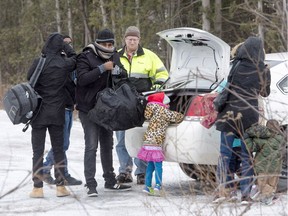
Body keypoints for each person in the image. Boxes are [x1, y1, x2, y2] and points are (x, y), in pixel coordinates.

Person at [213, 36, 271, 205]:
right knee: (247, 156)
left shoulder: (236, 65)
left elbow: (228, 85)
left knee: (225, 155)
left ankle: (224, 191)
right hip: (249, 116)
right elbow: (265, 93)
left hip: (229, 115)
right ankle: (246, 194)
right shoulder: (263, 69)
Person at [76, 28, 131, 197]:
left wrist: (118, 71)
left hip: (107, 109)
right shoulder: (85, 56)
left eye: (111, 44)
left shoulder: (115, 56)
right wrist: (101, 69)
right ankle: (90, 184)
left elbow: (124, 75)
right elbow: (82, 79)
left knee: (108, 145)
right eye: (105, 44)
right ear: (97, 44)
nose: (108, 47)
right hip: (88, 108)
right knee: (91, 146)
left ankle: (110, 180)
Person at [116, 26, 169, 184]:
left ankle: (141, 172)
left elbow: (162, 74)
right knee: (121, 139)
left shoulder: (149, 56)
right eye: (129, 38)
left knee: (140, 138)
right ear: (125, 39)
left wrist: (156, 87)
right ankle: (125, 171)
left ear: (139, 40)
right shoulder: (117, 56)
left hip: (141, 104)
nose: (132, 41)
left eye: (135, 39)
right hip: (121, 104)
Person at [27, 32, 77, 198]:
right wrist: (66, 46)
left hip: (39, 113)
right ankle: (61, 187)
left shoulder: (38, 62)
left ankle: (37, 188)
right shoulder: (64, 64)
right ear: (60, 47)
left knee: (38, 152)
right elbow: (75, 57)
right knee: (59, 150)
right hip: (57, 113)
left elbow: (29, 79)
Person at [42, 35, 82, 186]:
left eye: (69, 44)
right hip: (58, 107)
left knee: (63, 143)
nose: (67, 47)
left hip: (68, 106)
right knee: (62, 143)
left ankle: (61, 173)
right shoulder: (55, 61)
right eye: (64, 44)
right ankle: (45, 169)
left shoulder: (67, 63)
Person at [137, 92, 184, 195]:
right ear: (162, 104)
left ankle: (147, 186)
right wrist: (182, 115)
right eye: (167, 104)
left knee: (150, 166)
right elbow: (176, 117)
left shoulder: (152, 110)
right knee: (158, 166)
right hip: (156, 143)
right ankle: (158, 186)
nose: (169, 106)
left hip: (147, 142)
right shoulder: (163, 111)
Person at [244, 119, 285, 205]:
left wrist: (246, 138)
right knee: (272, 185)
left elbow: (250, 147)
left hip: (262, 168)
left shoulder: (261, 140)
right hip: (276, 168)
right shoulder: (282, 139)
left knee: (263, 184)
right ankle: (270, 195)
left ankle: (267, 198)